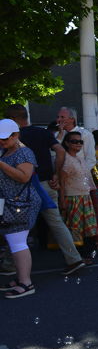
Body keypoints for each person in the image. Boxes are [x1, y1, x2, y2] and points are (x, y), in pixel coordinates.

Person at [4, 104, 87, 275]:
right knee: (56, 222)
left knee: (16, 226)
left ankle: (11, 264)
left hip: (22, 189)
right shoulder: (42, 132)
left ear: (12, 120)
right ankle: (74, 259)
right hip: (46, 184)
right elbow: (59, 150)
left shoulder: (11, 137)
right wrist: (54, 173)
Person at [0, 119, 42, 298]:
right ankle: (21, 279)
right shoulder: (6, 151)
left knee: (18, 243)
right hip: (11, 203)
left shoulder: (24, 152)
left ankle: (26, 283)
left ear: (16, 135)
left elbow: (24, 177)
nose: (1, 141)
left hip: (21, 203)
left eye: (5, 138)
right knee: (13, 242)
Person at [58, 131, 98, 261]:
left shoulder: (79, 158)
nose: (78, 144)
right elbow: (62, 181)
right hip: (73, 197)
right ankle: (78, 256)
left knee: (89, 228)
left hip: (85, 196)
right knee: (76, 229)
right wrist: (62, 200)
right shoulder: (66, 160)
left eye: (80, 141)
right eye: (74, 141)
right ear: (67, 143)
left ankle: (87, 254)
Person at [56, 107, 96, 174]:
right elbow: (53, 154)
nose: (59, 119)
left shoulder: (85, 134)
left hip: (79, 175)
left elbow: (90, 158)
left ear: (72, 119)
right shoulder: (57, 134)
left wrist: (81, 174)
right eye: (58, 117)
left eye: (62, 117)